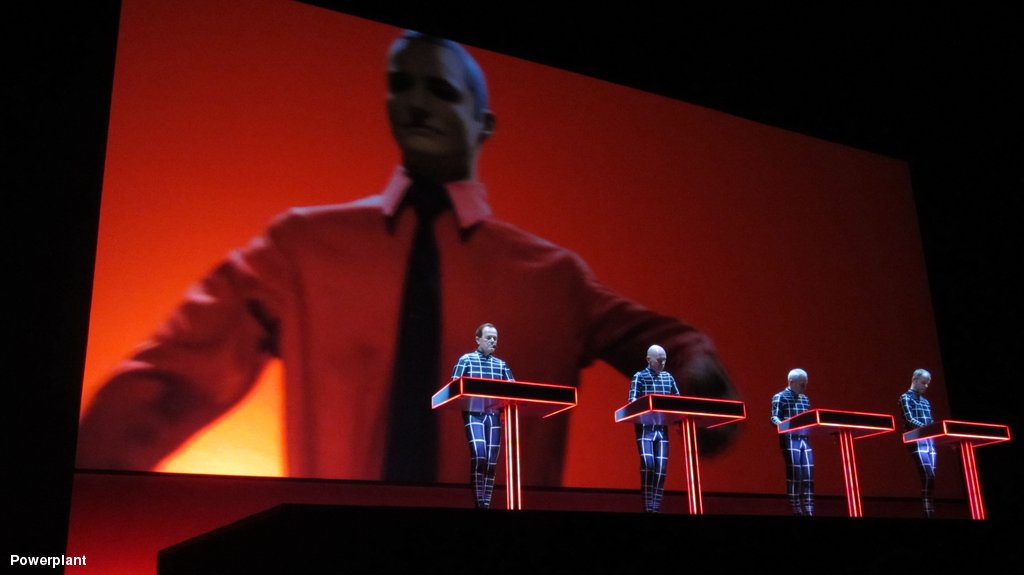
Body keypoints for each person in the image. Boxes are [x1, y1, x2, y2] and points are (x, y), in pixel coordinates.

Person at [76, 31, 736, 486]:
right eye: (401, 84)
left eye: (441, 91)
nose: (416, 102)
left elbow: (667, 345)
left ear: (484, 124)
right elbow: (168, 384)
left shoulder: (554, 277)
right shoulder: (300, 247)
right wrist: (81, 485)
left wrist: (697, 388)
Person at [449, 323, 513, 508]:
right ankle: (479, 503)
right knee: (480, 456)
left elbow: (514, 390)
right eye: (489, 338)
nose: (493, 341)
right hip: (474, 414)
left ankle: (486, 503)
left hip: (494, 416)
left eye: (495, 338)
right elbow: (453, 388)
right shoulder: (466, 360)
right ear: (478, 339)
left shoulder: (501, 365)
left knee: (491, 461)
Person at [627, 345, 681, 513]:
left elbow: (678, 401)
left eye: (664, 360)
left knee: (661, 469)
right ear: (649, 360)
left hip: (662, 429)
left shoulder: (668, 378)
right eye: (659, 360)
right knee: (649, 465)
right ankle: (647, 507)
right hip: (645, 428)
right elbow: (632, 402)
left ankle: (655, 508)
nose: (662, 363)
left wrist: (678, 419)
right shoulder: (639, 377)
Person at [770, 368, 814, 516]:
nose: (804, 387)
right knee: (795, 474)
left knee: (808, 474)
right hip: (789, 439)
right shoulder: (780, 397)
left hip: (804, 438)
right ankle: (795, 509)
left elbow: (808, 418)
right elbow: (774, 417)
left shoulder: (805, 399)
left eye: (805, 384)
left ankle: (809, 509)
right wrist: (786, 427)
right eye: (802, 384)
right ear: (792, 382)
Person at [899, 368, 936, 518]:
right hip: (916, 441)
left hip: (929, 441)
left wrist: (934, 431)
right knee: (928, 475)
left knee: (931, 477)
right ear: (914, 379)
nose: (926, 386)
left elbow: (931, 421)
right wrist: (928, 429)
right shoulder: (905, 397)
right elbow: (909, 419)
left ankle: (929, 511)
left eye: (928, 383)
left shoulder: (926, 402)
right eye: (923, 382)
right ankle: (928, 512)